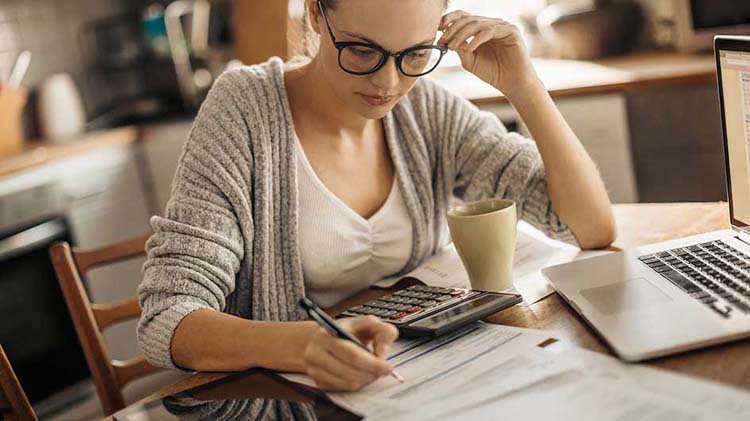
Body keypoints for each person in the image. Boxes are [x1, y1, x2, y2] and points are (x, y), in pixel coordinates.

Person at [137, 0, 615, 395]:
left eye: (414, 54)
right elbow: (168, 316)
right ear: (316, 15)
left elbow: (587, 227)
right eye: (363, 51)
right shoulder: (245, 111)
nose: (388, 84)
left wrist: (524, 87)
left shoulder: (426, 110)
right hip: (291, 401)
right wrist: (302, 344)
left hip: (421, 386)